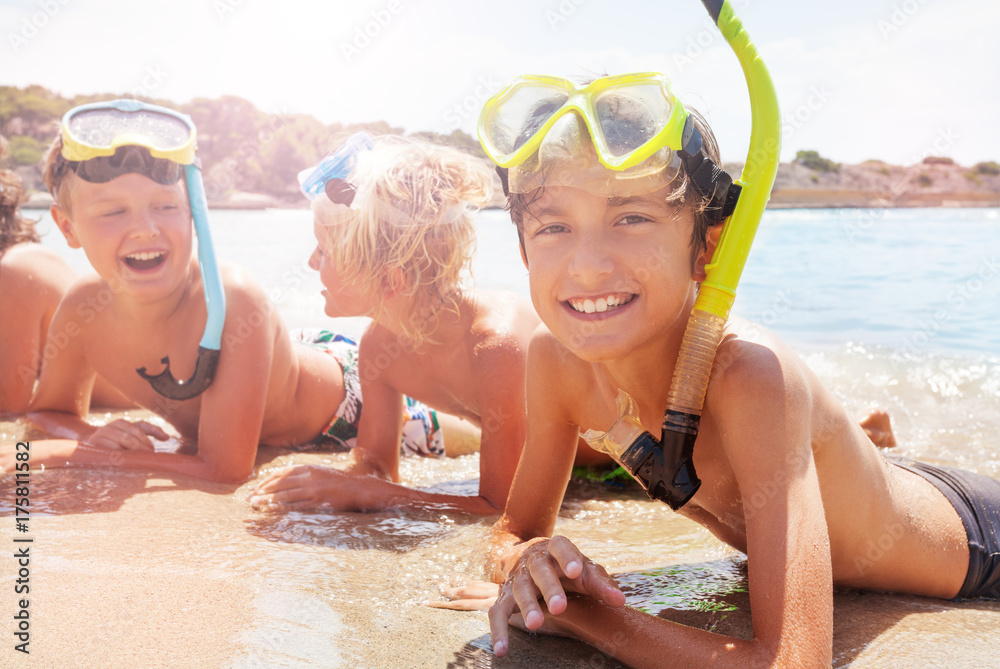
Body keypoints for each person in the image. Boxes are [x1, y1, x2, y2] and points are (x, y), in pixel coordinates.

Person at [454, 73, 999, 666]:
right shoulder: (555, 361)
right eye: (554, 227)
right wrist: (527, 562)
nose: (586, 267)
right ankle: (861, 450)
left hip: (975, 536)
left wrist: (591, 619)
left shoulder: (749, 377)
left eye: (631, 217)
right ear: (525, 250)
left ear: (708, 245)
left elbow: (792, 660)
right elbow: (513, 530)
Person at [4, 101, 439, 483]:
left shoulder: (231, 299)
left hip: (347, 403)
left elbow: (224, 469)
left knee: (468, 429)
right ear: (67, 227)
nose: (145, 228)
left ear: (195, 212)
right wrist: (93, 435)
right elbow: (49, 414)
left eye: (166, 206)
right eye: (114, 211)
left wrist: (74, 454)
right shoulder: (84, 307)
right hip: (285, 357)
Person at [250, 135, 610, 514]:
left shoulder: (496, 346)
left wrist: (370, 493)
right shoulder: (379, 346)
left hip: (616, 469)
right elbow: (375, 467)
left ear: (391, 280)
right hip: (561, 471)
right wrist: (334, 481)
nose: (310, 262)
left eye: (324, 251)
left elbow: (501, 508)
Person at [0, 135, 129, 414]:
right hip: (122, 413)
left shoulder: (14, 271)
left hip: (136, 416)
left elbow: (8, 410)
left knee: (15, 457)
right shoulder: (24, 259)